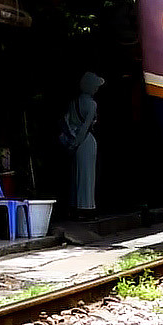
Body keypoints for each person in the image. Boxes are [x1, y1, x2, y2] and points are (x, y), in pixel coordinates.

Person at [63, 72, 103, 220]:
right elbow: (86, 127)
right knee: (87, 176)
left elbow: (67, 121)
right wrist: (77, 142)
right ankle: (86, 208)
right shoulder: (92, 104)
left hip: (74, 140)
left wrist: (72, 143)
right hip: (86, 141)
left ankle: (74, 207)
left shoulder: (73, 102)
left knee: (76, 175)